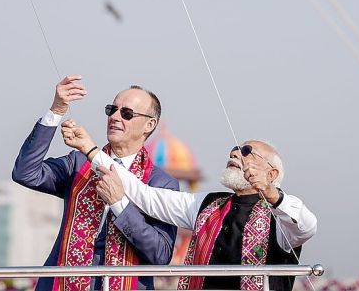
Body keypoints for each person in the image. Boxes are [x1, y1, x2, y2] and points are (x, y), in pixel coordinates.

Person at [61, 121, 317, 291]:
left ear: (272, 174)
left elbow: (306, 226)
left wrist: (271, 193)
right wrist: (91, 150)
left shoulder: (283, 216)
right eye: (233, 151)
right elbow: (145, 195)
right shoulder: (207, 204)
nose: (235, 154)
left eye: (247, 151)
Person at [12, 75, 179, 291]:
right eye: (112, 110)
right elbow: (25, 173)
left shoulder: (162, 184)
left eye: (127, 113)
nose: (116, 117)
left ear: (149, 124)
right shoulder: (79, 163)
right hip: (61, 285)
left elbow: (160, 254)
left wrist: (119, 204)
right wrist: (56, 111)